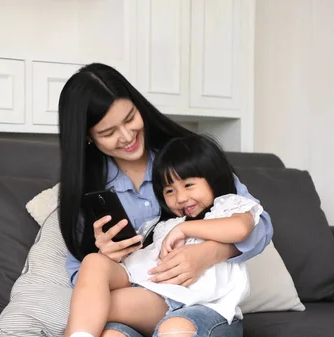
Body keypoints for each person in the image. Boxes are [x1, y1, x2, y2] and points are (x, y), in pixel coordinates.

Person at [58, 63, 273, 337]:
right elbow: (81, 279)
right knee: (100, 299)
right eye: (108, 133)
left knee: (112, 315)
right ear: (88, 137)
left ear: (139, 106)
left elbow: (259, 225)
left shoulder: (185, 157)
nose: (126, 137)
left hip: (193, 305)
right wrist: (107, 258)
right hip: (141, 300)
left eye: (130, 118)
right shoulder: (87, 188)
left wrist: (211, 252)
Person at [64, 135, 264, 337]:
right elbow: (134, 267)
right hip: (152, 296)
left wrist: (186, 229)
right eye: (169, 191)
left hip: (197, 305)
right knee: (93, 263)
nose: (180, 198)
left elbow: (240, 229)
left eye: (188, 185)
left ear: (214, 178)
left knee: (104, 308)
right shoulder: (162, 225)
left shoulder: (227, 208)